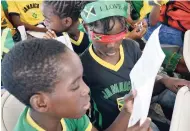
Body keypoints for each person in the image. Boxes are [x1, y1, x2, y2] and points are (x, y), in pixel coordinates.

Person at [80, 1, 190, 130]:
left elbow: (145, 79)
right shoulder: (82, 68)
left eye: (119, 36)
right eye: (102, 38)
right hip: (116, 126)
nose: (112, 45)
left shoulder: (131, 47)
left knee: (178, 100)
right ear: (86, 27)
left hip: (140, 112)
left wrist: (166, 80)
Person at [1, 38, 153, 131]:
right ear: (40, 103)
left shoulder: (68, 113)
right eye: (75, 86)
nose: (86, 89)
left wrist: (126, 112)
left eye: (82, 79)